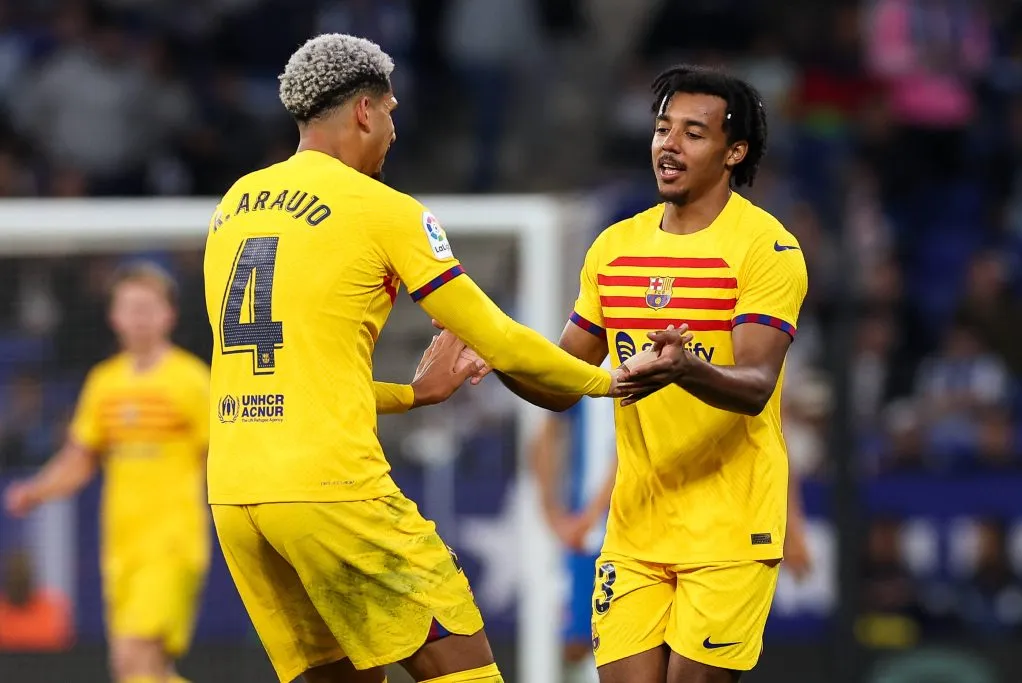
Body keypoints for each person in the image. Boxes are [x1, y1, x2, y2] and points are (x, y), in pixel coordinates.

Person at [202, 34, 674, 683]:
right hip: (330, 489)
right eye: (390, 112)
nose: (394, 132)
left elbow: (286, 375)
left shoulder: (234, 206)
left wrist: (414, 393)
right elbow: (495, 336)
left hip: (236, 495)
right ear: (364, 110)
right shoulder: (382, 208)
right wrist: (608, 379)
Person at [455, 65, 808, 683]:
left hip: (729, 527)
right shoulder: (615, 249)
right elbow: (564, 383)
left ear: (734, 152)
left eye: (693, 133)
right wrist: (503, 354)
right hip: (635, 526)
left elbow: (757, 386)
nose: (669, 144)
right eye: (663, 128)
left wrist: (685, 368)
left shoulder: (766, 249)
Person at [3, 263, 210, 683]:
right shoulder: (104, 382)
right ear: (114, 316)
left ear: (169, 314)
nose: (139, 318)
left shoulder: (191, 380)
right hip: (120, 547)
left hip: (172, 541)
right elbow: (79, 459)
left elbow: (218, 457)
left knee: (134, 658)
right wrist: (37, 491)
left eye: (148, 308)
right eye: (130, 308)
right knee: (140, 668)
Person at [529, 395, 616, 683]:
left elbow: (630, 450)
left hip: (626, 525)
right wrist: (550, 509)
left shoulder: (638, 371)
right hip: (585, 530)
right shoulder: (584, 376)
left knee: (623, 639)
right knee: (578, 641)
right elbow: (546, 434)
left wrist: (590, 514)